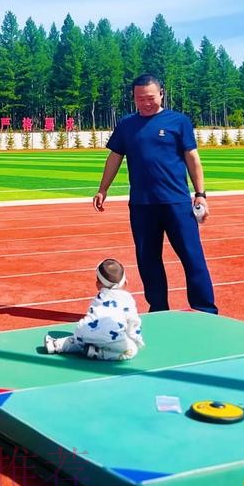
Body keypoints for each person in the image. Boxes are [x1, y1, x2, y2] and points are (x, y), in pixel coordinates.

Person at [93, 74, 217, 314]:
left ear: (161, 94)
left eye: (150, 97)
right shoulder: (126, 125)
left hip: (176, 202)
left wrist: (200, 194)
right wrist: (102, 189)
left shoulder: (179, 122)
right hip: (142, 205)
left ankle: (205, 309)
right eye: (140, 99)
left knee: (193, 257)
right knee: (148, 261)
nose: (145, 102)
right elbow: (114, 158)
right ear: (133, 98)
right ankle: (158, 309)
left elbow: (193, 159)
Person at [43, 258, 145, 360]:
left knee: (78, 339)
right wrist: (136, 339)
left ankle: (57, 345)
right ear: (126, 283)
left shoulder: (99, 297)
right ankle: (98, 353)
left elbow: (92, 315)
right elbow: (133, 322)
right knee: (132, 349)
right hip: (112, 338)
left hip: (84, 330)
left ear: (98, 285)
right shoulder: (127, 300)